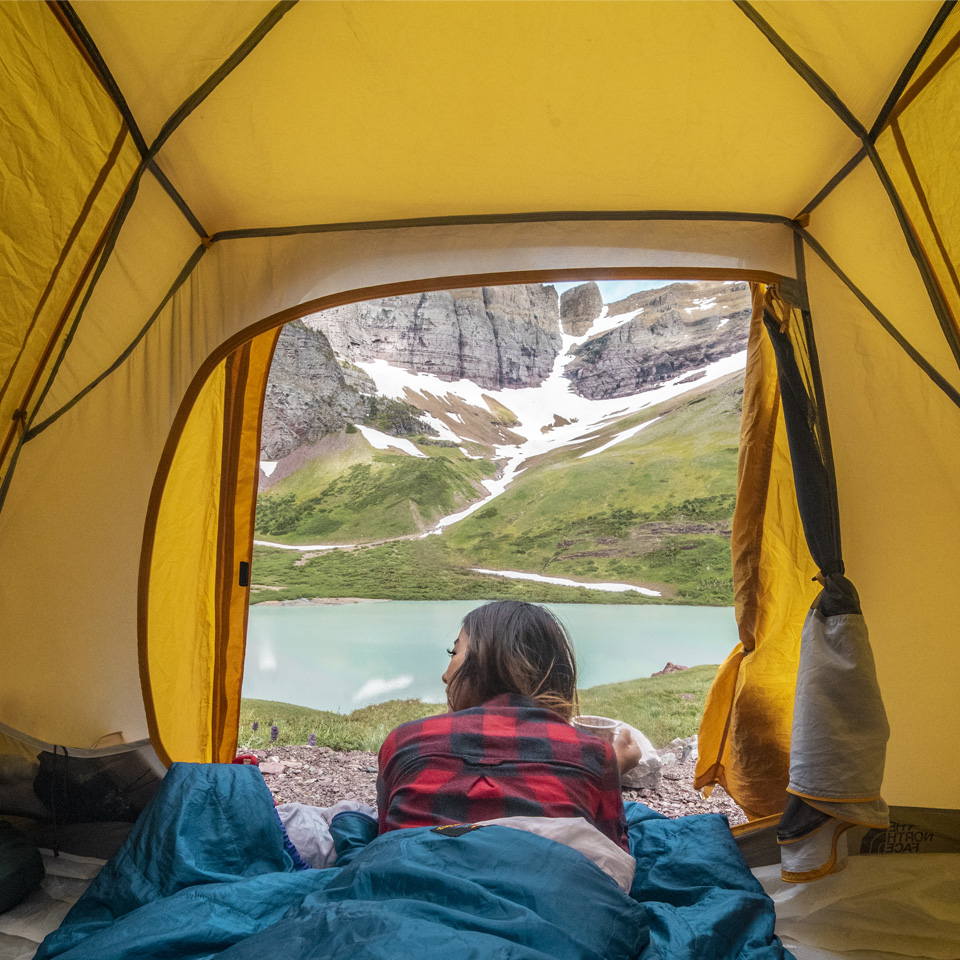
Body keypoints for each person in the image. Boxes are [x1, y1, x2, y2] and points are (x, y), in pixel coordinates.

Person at [376, 600, 640, 850]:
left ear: (483, 663)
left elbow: (385, 841)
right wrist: (607, 770)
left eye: (454, 653)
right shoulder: (593, 754)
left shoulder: (405, 740)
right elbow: (613, 859)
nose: (445, 676)